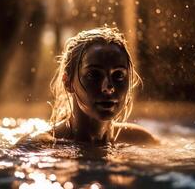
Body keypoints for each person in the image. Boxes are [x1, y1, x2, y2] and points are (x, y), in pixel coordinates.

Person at [20, 27, 158, 145]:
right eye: (94, 75)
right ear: (67, 82)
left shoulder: (141, 140)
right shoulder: (40, 145)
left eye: (119, 75)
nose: (108, 87)